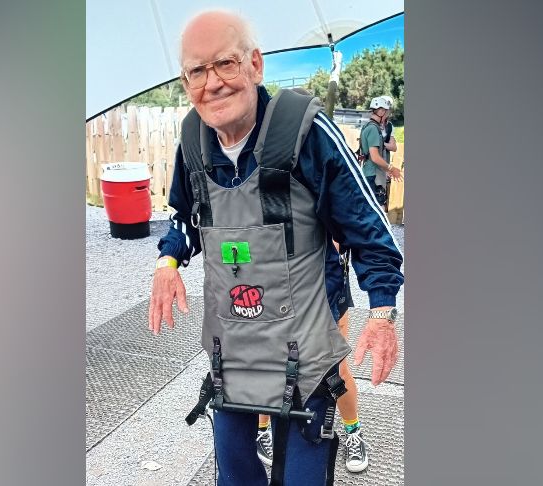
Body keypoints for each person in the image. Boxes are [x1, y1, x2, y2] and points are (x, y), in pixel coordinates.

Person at [148, 10, 403, 486]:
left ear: (256, 65)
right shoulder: (192, 141)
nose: (213, 83)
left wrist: (383, 315)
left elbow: (370, 232)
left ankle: (348, 431)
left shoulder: (307, 133)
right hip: (233, 361)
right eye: (196, 71)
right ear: (186, 82)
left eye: (225, 63)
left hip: (305, 357)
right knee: (235, 478)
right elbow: (181, 214)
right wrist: (167, 262)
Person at [256, 241, 369, 474]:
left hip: (326, 285)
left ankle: (353, 431)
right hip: (273, 285)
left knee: (336, 369)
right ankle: (262, 430)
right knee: (267, 365)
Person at [360, 97, 402, 205]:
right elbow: (375, 157)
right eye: (386, 111)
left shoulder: (367, 126)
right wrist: (391, 169)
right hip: (374, 175)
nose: (387, 114)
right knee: (379, 208)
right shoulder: (374, 129)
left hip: (368, 172)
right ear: (381, 111)